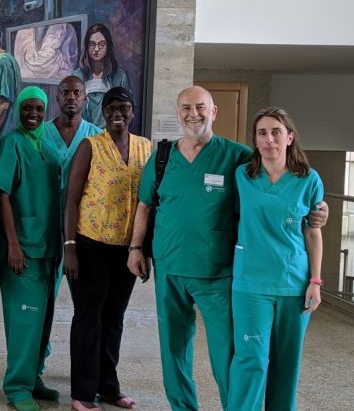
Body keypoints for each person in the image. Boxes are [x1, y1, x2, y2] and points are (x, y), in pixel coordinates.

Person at [125, 86, 328, 411]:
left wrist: (317, 211)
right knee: (173, 348)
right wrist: (136, 247)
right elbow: (145, 205)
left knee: (229, 351)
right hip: (170, 265)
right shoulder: (161, 157)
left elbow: (278, 175)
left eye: (201, 107)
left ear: (214, 111)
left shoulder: (236, 156)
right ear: (178, 112)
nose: (194, 113)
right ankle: (183, 407)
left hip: (218, 271)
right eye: (186, 107)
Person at [227, 108, 323, 410]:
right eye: (262, 133)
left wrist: (315, 281)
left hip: (293, 283)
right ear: (255, 140)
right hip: (250, 282)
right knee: (250, 358)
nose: (269, 139)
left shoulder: (308, 180)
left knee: (287, 362)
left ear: (290, 137)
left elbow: (313, 232)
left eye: (276, 132)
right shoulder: (243, 176)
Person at [64, 87, 150, 411]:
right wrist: (70, 246)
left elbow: (149, 201)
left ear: (132, 111)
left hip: (128, 248)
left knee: (114, 318)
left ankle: (108, 386)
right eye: (111, 107)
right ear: (102, 111)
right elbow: (71, 200)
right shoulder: (91, 146)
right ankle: (82, 394)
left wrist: (144, 251)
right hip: (91, 244)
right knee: (89, 318)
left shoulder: (145, 148)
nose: (118, 113)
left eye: (123, 108)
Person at [0, 86, 61, 411]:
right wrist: (13, 245)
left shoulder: (49, 145)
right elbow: (2, 194)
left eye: (38, 109)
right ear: (18, 110)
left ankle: (34, 377)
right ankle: (17, 387)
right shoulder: (11, 144)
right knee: (24, 320)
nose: (32, 115)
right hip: (23, 249)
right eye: (26, 109)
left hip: (49, 247)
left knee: (43, 319)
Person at [36, 75, 102, 397]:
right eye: (65, 92)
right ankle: (35, 368)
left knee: (87, 306)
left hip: (81, 234)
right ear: (57, 97)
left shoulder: (96, 137)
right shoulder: (40, 134)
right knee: (41, 303)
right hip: (43, 229)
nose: (71, 97)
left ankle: (92, 374)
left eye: (77, 92)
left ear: (85, 98)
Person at [71, 24, 133, 127]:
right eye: (92, 44)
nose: (96, 49)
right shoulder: (76, 76)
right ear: (86, 46)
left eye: (101, 44)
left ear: (108, 46)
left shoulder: (120, 76)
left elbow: (129, 108)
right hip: (84, 135)